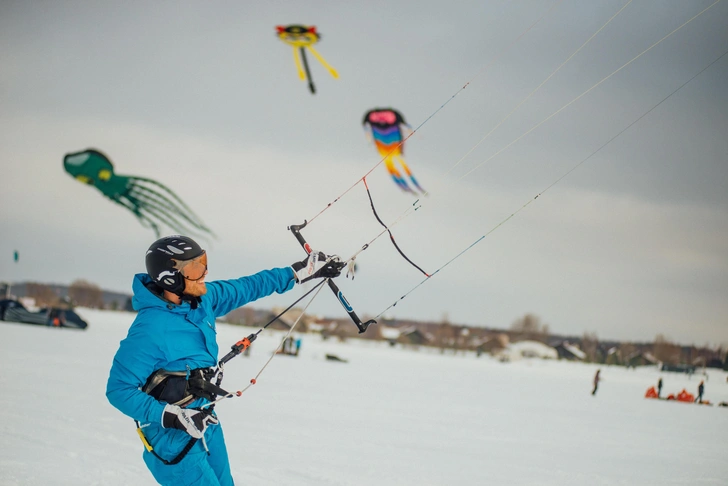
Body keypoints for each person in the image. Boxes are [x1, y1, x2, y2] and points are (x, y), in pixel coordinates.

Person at [106, 235, 344, 486]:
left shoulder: (203, 301)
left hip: (205, 421)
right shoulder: (150, 329)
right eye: (195, 267)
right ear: (170, 277)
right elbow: (118, 390)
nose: (204, 273)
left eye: (203, 263)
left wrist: (297, 272)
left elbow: (249, 286)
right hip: (170, 436)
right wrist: (172, 416)